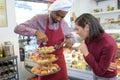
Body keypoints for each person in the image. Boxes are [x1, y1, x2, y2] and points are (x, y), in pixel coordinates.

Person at [14, 0, 75, 80]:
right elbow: (17, 29)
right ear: (52, 10)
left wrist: (70, 41)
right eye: (57, 15)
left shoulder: (64, 23)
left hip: (59, 62)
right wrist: (36, 32)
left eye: (62, 17)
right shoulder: (39, 19)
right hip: (43, 62)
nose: (59, 19)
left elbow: (71, 37)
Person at [74, 13, 117, 80]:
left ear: (87, 27)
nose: (76, 32)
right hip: (95, 74)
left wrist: (86, 53)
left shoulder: (108, 43)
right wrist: (102, 65)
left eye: (77, 29)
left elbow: (99, 71)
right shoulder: (88, 39)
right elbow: (96, 67)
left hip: (107, 78)